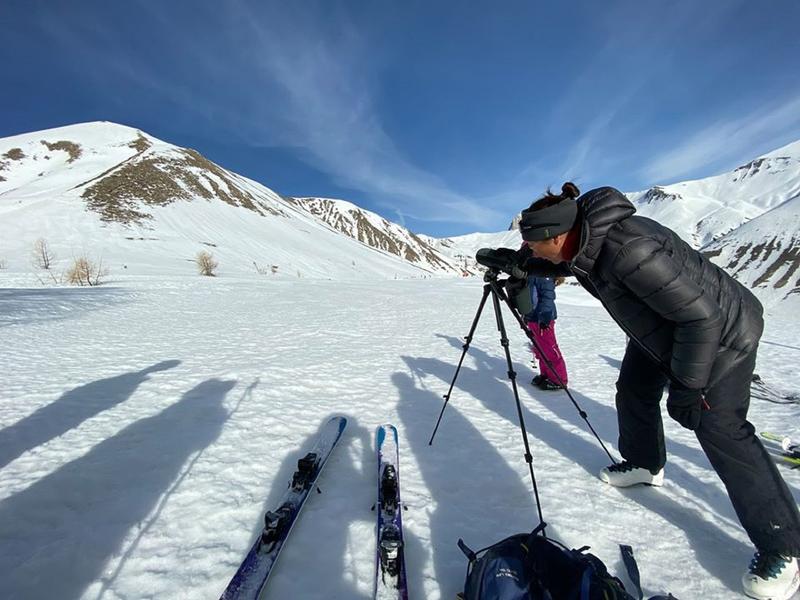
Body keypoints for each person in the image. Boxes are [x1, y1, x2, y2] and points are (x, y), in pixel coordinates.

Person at [511, 181, 800, 600]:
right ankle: (646, 463)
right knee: (633, 390)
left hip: (720, 337)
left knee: (720, 429)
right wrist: (522, 264)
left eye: (534, 246)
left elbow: (702, 320)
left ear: (557, 236)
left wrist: (688, 386)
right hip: (664, 329)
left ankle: (785, 546)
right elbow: (564, 264)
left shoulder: (629, 252)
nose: (531, 251)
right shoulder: (587, 241)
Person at [523, 274, 568, 390]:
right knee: (540, 349)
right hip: (533, 316)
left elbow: (548, 297)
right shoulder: (533, 271)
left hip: (543, 318)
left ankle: (558, 379)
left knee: (549, 348)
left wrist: (545, 317)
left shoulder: (544, 273)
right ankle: (546, 374)